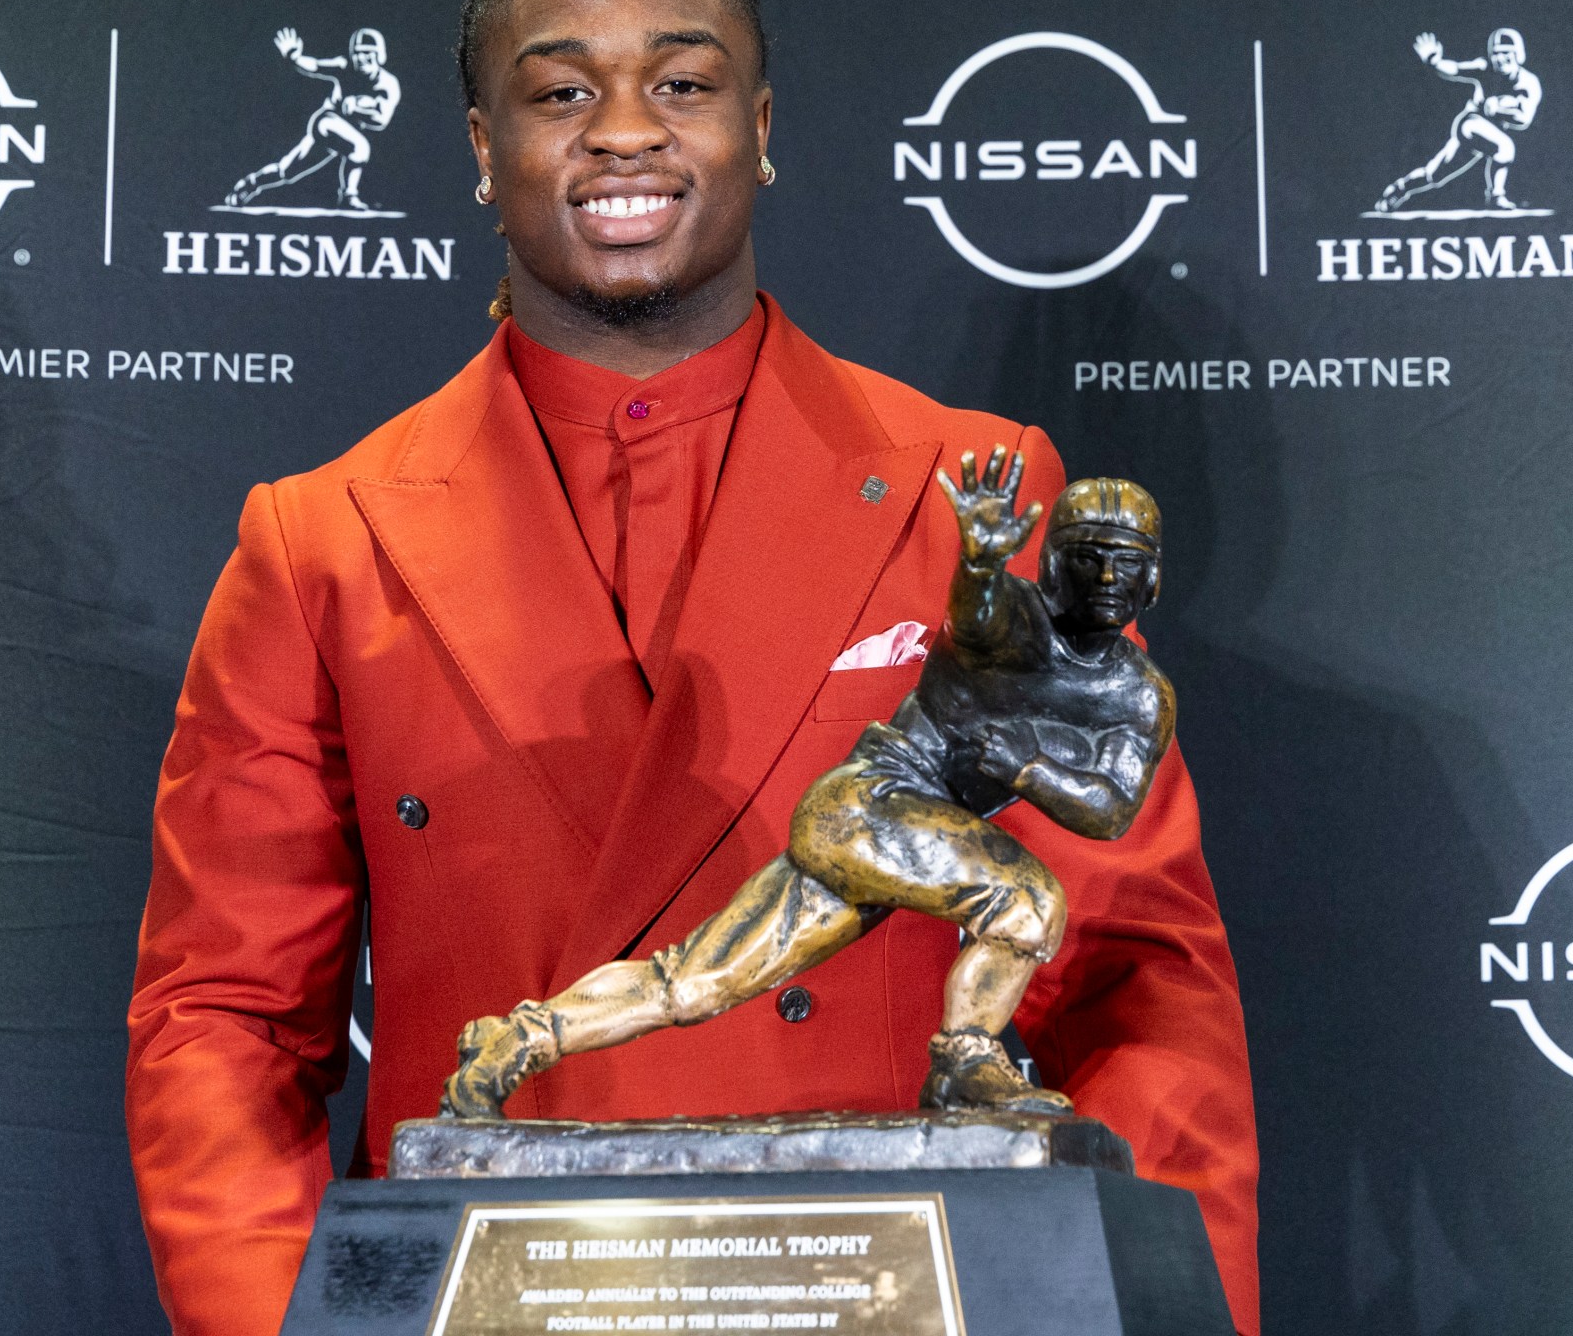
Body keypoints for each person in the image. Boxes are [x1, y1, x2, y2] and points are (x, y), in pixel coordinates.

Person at [126, 0, 1261, 1335]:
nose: (622, 133)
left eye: (680, 82)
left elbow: (1136, 982)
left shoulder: (971, 493)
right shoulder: (322, 543)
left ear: (761, 124)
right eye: (557, 92)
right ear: (482, 148)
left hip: (898, 1297)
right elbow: (222, 1026)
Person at [441, 463, 1174, 1121]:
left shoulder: (1139, 696)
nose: (1107, 578)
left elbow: (1111, 809)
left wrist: (1028, 768)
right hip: (866, 804)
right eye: (1088, 557)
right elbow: (977, 616)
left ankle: (517, 1039)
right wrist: (980, 562)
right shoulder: (1015, 622)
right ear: (1049, 565)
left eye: (1126, 563)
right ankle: (965, 1061)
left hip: (895, 842)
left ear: (1153, 580)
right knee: (1028, 900)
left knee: (695, 984)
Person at [222, 27, 402, 210]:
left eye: (367, 53)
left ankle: (250, 184)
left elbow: (381, 121)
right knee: (361, 148)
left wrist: (359, 107)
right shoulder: (345, 67)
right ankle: (349, 196)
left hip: (344, 133)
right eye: (357, 53)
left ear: (379, 55)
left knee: (286, 171)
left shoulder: (388, 84)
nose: (362, 58)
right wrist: (294, 57)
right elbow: (316, 66)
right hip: (327, 122)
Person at [1375, 27, 1542, 213]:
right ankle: (1496, 196)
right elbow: (1455, 68)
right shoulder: (1485, 68)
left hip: (1489, 133)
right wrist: (1434, 61)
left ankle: (1399, 188)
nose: (1500, 58)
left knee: (1434, 175)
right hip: (1471, 124)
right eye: (1496, 54)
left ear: (1518, 54)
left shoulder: (1529, 83)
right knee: (1505, 148)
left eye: (1506, 53)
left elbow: (1524, 119)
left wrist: (1500, 109)